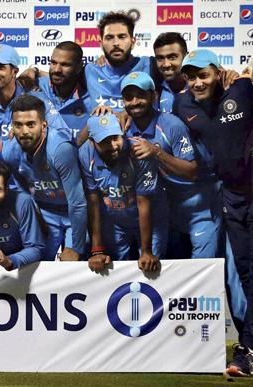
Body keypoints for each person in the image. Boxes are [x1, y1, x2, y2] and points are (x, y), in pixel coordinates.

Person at [174, 49, 253, 377]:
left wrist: (244, 75)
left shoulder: (243, 90)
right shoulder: (183, 104)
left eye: (203, 75)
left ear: (219, 73)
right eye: (190, 76)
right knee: (247, 272)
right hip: (232, 197)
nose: (196, 82)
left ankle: (246, 349)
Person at [121, 71, 220, 260]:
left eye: (141, 95)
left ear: (154, 96)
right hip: (165, 209)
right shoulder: (123, 128)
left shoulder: (172, 125)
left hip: (198, 206)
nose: (135, 102)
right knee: (166, 272)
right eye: (129, 97)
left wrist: (157, 152)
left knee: (203, 267)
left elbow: (192, 171)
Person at [0, 44, 67, 188]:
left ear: (14, 71)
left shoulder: (35, 99)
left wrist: (34, 133)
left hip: (33, 183)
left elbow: (63, 135)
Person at [2, 95, 86, 261]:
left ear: (44, 125)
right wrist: (37, 216)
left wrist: (75, 246)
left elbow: (78, 202)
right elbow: (22, 190)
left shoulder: (61, 149)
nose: (24, 131)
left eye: (30, 124)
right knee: (38, 262)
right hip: (45, 212)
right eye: (18, 125)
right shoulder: (9, 152)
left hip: (72, 213)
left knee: (74, 266)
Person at [78, 113, 162, 272]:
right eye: (104, 141)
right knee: (117, 272)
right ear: (92, 141)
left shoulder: (139, 151)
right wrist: (97, 250)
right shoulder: (85, 154)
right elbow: (93, 202)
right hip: (115, 220)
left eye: (116, 138)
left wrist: (146, 252)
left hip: (149, 219)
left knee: (151, 266)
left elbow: (144, 202)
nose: (113, 145)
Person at [85, 12, 156, 112]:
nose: (116, 43)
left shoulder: (150, 65)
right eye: (109, 38)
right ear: (101, 44)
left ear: (133, 42)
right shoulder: (90, 71)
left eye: (122, 37)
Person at [36, 41, 94, 141]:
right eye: (53, 63)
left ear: (79, 67)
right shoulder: (36, 87)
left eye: (65, 65)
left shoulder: (93, 98)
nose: (57, 69)